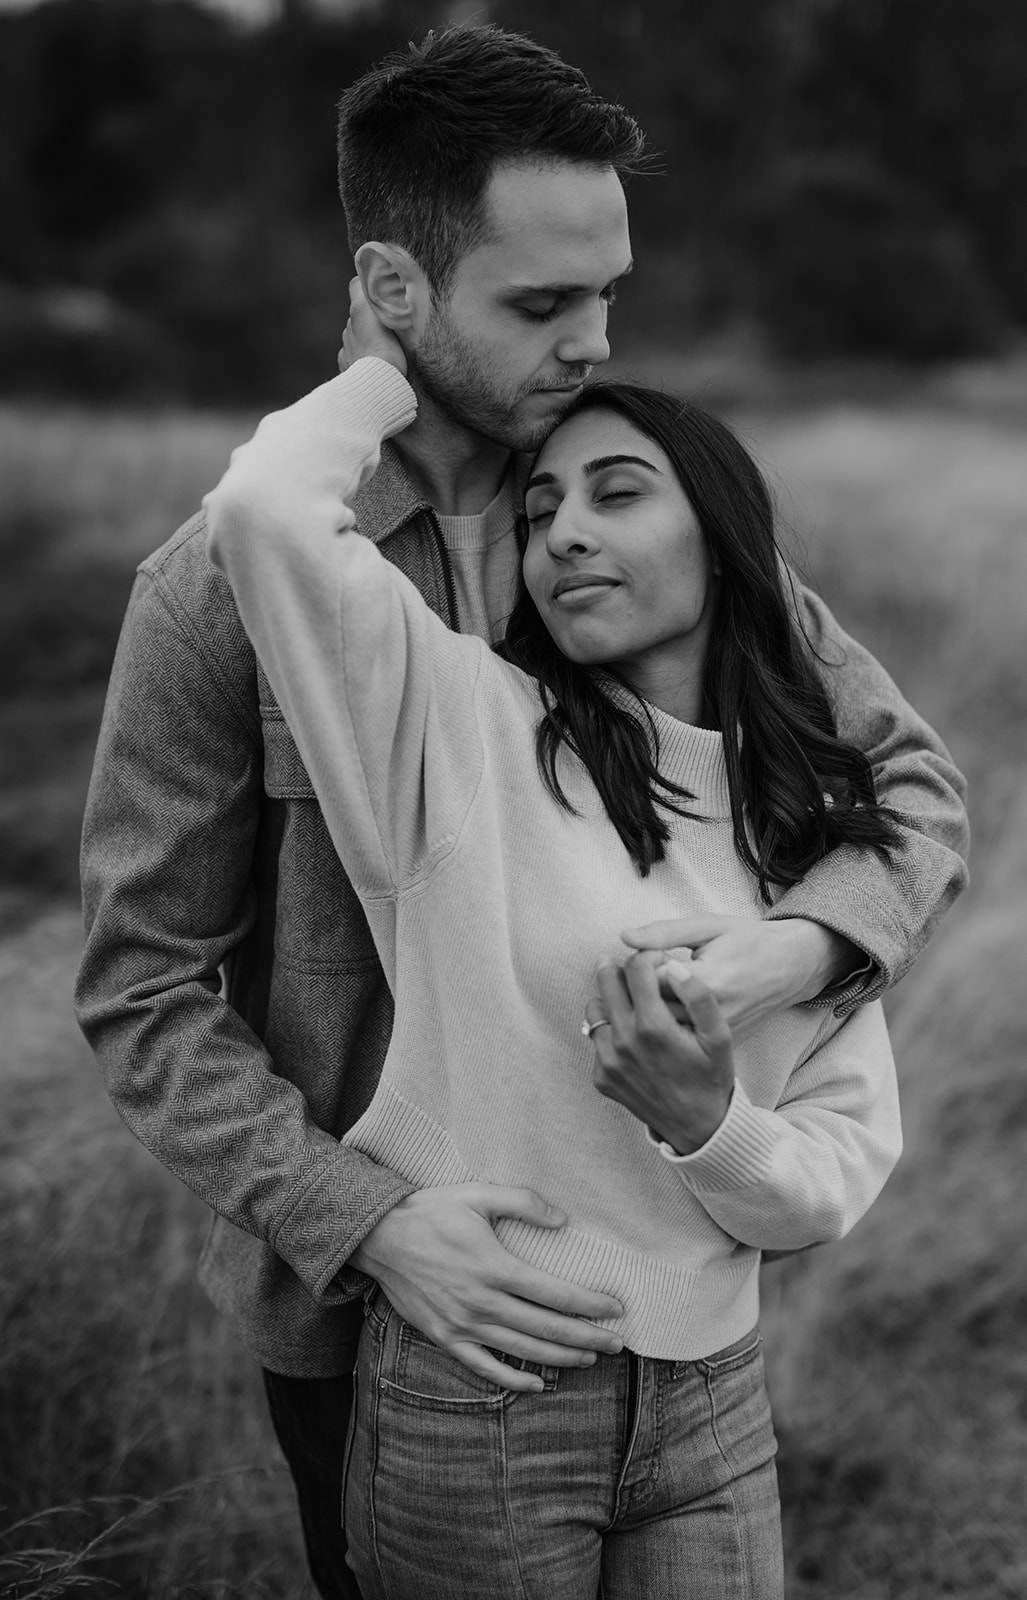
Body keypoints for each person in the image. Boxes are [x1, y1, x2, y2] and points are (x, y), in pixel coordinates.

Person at [74, 23, 968, 1599]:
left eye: (606, 292)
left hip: (684, 1283)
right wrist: (363, 1221)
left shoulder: (639, 512)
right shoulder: (221, 588)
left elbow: (911, 795)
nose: (588, 338)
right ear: (394, 287)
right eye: (542, 302)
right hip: (383, 1317)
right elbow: (142, 990)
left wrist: (784, 959)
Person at [202, 348, 908, 1597]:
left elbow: (830, 1182)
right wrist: (388, 367)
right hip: (480, 1404)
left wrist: (708, 1125)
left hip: (715, 1405)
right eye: (539, 513)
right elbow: (266, 509)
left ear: (723, 537)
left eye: (617, 494)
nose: (565, 534)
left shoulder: (807, 832)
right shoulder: (461, 730)